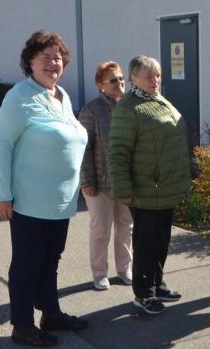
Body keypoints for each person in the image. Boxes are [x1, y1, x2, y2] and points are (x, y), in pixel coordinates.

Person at [0, 30, 88, 347]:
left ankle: (51, 313)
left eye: (57, 58)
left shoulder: (61, 96)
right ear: (30, 62)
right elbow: (1, 146)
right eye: (44, 57)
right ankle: (21, 325)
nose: (52, 63)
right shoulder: (19, 97)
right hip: (30, 201)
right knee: (27, 264)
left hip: (60, 201)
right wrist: (0, 194)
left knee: (51, 261)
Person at [108, 55, 191, 315]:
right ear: (133, 79)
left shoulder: (157, 100)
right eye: (148, 76)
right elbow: (118, 151)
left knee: (161, 240)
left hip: (164, 189)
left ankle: (157, 283)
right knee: (147, 243)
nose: (154, 80)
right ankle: (143, 294)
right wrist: (123, 189)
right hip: (145, 191)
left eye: (157, 75)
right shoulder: (128, 108)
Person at [78, 61, 134, 291]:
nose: (120, 83)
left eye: (122, 79)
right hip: (99, 184)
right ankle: (99, 272)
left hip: (127, 182)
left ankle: (125, 269)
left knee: (126, 227)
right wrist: (88, 181)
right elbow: (83, 148)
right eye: (114, 80)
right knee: (101, 229)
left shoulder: (131, 107)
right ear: (101, 85)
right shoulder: (90, 110)